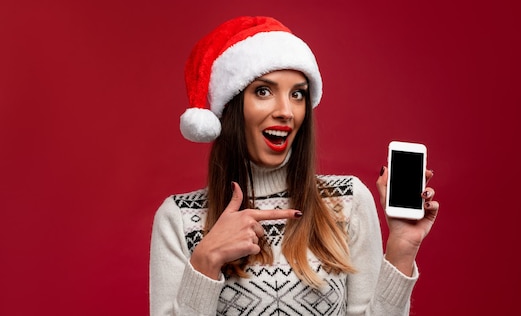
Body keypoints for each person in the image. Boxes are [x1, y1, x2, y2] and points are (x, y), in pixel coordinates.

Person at [149, 16, 439, 316]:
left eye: (297, 94)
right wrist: (205, 262)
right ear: (232, 106)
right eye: (264, 91)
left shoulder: (347, 201)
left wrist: (402, 250)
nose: (286, 111)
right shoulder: (180, 220)